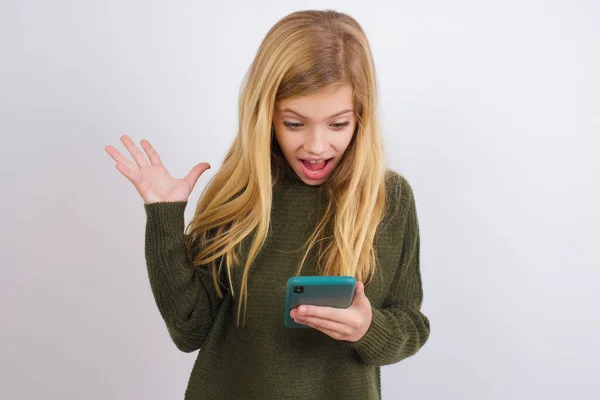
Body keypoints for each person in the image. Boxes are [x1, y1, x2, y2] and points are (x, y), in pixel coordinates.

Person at [105, 9, 430, 400]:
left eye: (338, 124)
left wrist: (367, 329)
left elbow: (411, 324)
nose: (315, 145)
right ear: (266, 116)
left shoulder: (388, 199)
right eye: (294, 123)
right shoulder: (240, 193)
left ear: (361, 116)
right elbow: (189, 329)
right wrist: (164, 216)